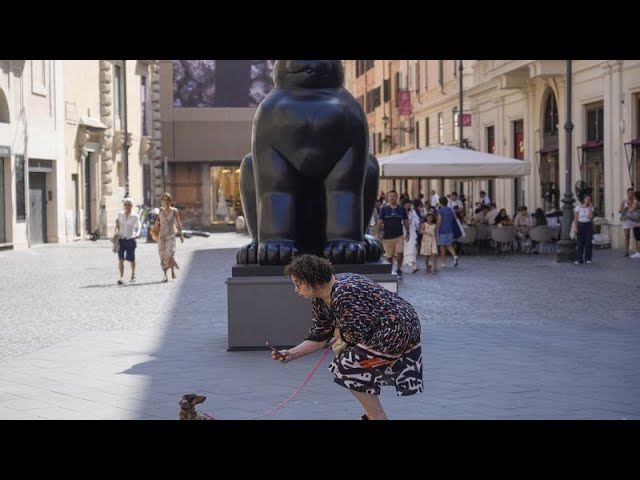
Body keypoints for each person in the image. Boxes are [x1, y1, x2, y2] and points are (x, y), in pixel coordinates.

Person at [273, 254, 423, 420]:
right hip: (382, 328)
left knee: (349, 364)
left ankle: (376, 416)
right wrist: (290, 354)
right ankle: (374, 415)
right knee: (349, 363)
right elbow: (319, 335)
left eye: (298, 284)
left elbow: (355, 334)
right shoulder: (321, 298)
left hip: (399, 328)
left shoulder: (344, 293)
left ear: (312, 280)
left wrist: (339, 334)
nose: (296, 290)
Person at [377, 190, 410, 278]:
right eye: (390, 196)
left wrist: (408, 232)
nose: (392, 198)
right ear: (387, 198)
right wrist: (377, 233)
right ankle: (390, 270)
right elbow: (380, 222)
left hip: (399, 235)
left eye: (394, 196)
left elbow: (406, 221)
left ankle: (399, 269)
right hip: (387, 236)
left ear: (397, 197)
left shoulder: (401, 209)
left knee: (400, 253)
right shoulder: (384, 209)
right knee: (389, 256)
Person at [156, 192, 185, 282]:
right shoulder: (160, 210)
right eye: (164, 199)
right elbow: (158, 223)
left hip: (171, 235)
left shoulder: (174, 211)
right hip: (161, 236)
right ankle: (165, 275)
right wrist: (155, 233)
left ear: (170, 201)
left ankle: (172, 268)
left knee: (169, 254)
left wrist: (181, 235)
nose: (166, 201)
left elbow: (178, 223)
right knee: (162, 255)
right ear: (162, 201)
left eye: (167, 199)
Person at [114, 197, 141, 285]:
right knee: (121, 259)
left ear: (132, 206)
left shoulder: (135, 216)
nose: (127, 206)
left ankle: (133, 274)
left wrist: (137, 234)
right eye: (125, 204)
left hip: (130, 239)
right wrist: (117, 225)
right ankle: (121, 277)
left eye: (129, 204)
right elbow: (118, 225)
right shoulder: (120, 214)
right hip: (121, 239)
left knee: (131, 259)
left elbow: (139, 226)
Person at [574, 194, 594, 264]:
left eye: (589, 200)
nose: (588, 201)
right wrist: (575, 227)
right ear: (584, 200)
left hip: (588, 225)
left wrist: (590, 208)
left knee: (588, 242)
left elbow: (590, 217)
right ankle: (579, 258)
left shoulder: (591, 208)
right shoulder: (578, 208)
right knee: (580, 243)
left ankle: (588, 258)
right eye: (587, 199)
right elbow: (576, 218)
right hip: (580, 224)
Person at [620, 188, 638, 257]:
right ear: (627, 193)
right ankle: (626, 251)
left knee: (636, 236)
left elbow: (635, 210)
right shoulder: (624, 201)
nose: (631, 194)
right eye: (630, 193)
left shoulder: (636, 201)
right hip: (627, 221)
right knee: (627, 236)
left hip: (634, 220)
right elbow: (620, 210)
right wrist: (623, 209)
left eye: (632, 193)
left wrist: (630, 205)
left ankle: (637, 251)